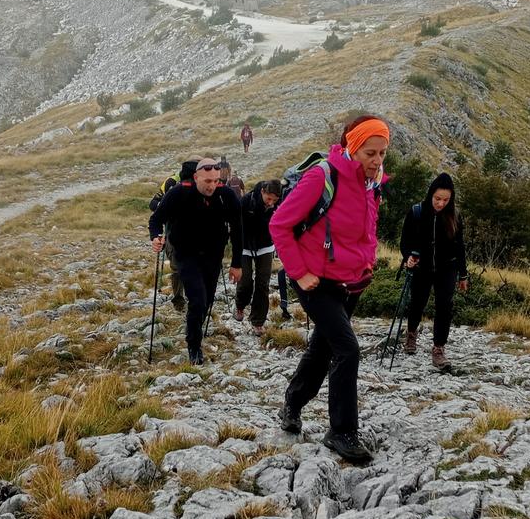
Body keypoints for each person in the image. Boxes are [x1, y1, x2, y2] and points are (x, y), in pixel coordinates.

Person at [269, 114, 390, 463]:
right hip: (315, 281)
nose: (378, 161)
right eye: (371, 153)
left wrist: (367, 262)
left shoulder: (372, 182)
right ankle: (341, 432)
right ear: (353, 146)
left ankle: (291, 403)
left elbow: (367, 227)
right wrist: (299, 272)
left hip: (350, 282)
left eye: (383, 153)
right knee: (347, 349)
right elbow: (279, 225)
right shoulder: (322, 177)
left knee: (323, 350)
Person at [148, 155, 242, 365]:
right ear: (196, 177)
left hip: (213, 255)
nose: (212, 186)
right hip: (185, 253)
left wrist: (237, 263)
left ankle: (195, 328)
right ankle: (194, 346)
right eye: (207, 181)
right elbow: (156, 219)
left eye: (216, 181)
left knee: (206, 301)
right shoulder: (178, 194)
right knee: (197, 299)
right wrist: (155, 237)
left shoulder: (226, 196)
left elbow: (237, 230)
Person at [399, 172, 469, 369]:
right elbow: (405, 241)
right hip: (422, 266)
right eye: (438, 199)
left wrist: (463, 274)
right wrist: (408, 257)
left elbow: (460, 246)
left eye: (446, 200)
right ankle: (411, 333)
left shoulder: (454, 215)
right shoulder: (416, 212)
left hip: (448, 267)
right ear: (431, 194)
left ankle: (438, 348)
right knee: (418, 302)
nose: (441, 203)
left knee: (444, 306)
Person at [150, 163, 195, 312]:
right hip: (173, 233)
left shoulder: (206, 184)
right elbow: (153, 203)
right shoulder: (171, 183)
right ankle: (179, 301)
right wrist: (166, 207)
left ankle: (193, 298)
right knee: (177, 268)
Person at [236, 180, 282, 327]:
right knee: (245, 281)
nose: (271, 203)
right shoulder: (246, 202)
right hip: (245, 246)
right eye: (269, 199)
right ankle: (240, 305)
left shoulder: (278, 206)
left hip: (266, 247)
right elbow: (236, 224)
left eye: (274, 200)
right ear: (262, 191)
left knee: (263, 283)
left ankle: (258, 321)